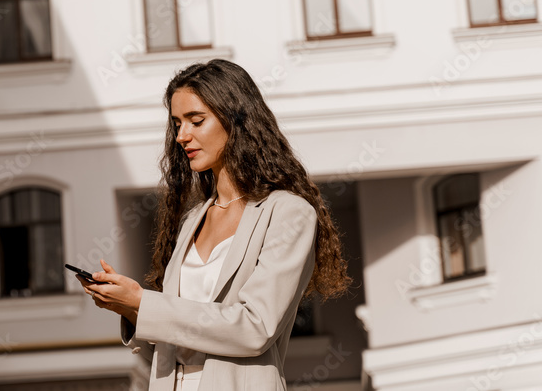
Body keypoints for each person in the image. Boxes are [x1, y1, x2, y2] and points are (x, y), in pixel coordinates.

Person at [75, 59, 351, 390]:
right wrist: (131, 309)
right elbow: (177, 341)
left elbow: (255, 328)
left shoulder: (288, 213)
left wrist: (143, 303)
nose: (181, 136)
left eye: (196, 121)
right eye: (177, 123)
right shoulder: (193, 220)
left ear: (236, 121)